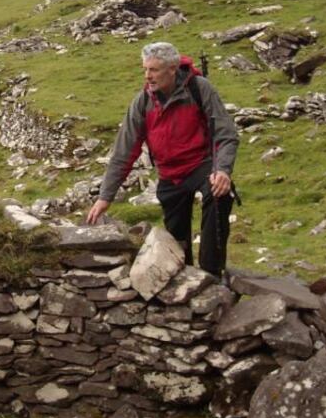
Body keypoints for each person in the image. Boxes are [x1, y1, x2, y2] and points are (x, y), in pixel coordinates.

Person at [86, 42, 239, 277]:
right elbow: (123, 152)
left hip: (200, 165)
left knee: (219, 193)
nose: (148, 76)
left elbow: (225, 134)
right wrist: (105, 197)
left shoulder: (199, 89)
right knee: (177, 242)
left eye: (154, 70)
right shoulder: (142, 102)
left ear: (173, 68)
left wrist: (223, 170)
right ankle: (186, 276)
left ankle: (211, 272)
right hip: (170, 175)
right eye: (145, 69)